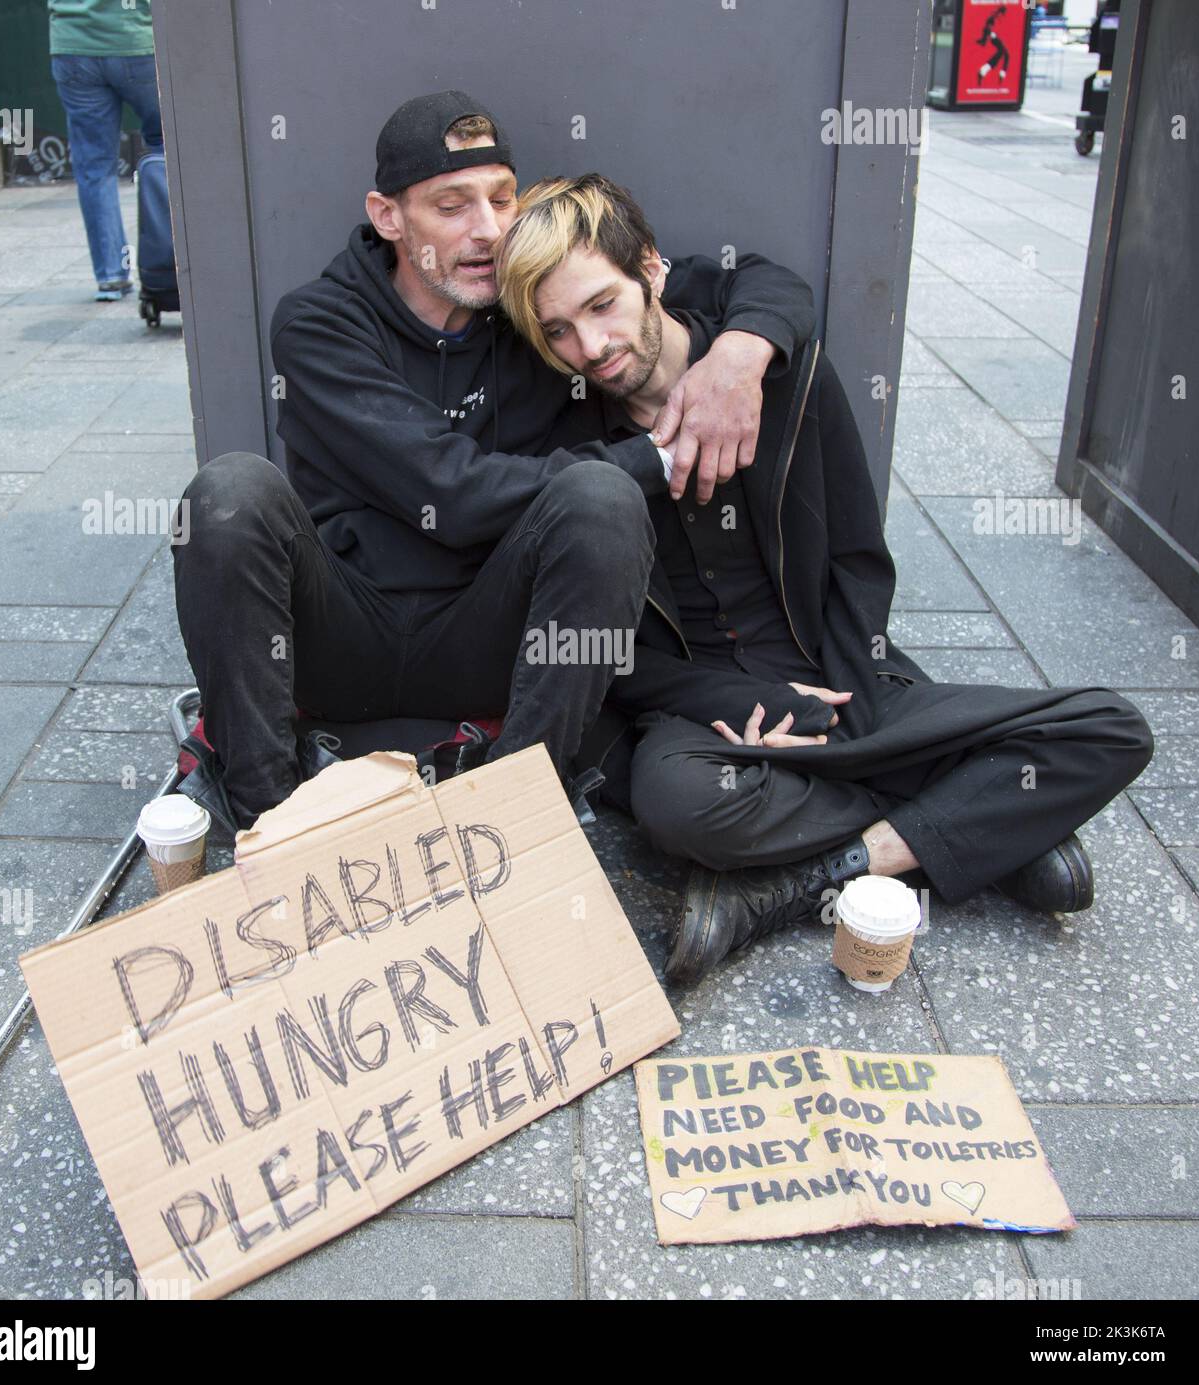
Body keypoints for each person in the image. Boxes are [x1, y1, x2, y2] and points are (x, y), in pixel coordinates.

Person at [494, 173, 1154, 987]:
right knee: (676, 805)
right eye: (557, 331)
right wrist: (727, 704)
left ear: (652, 270)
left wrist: (845, 699)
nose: (590, 349)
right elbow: (598, 644)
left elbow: (855, 559)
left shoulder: (781, 376)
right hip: (706, 719)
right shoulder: (570, 450)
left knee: (1109, 729)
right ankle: (974, 825)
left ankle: (796, 883)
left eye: (601, 306)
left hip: (839, 675)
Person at [173, 92, 817, 834]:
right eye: (451, 206)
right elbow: (450, 494)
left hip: (487, 636)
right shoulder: (321, 322)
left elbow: (751, 282)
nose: (486, 230)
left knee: (600, 498)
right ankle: (267, 820)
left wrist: (740, 353)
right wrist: (656, 455)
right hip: (340, 631)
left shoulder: (538, 307)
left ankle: (520, 818)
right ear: (389, 217)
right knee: (226, 492)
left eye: (501, 199)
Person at [48, 0, 164, 300]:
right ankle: (173, 264)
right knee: (169, 152)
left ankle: (112, 275)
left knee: (95, 168)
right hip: (136, 41)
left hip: (73, 45)